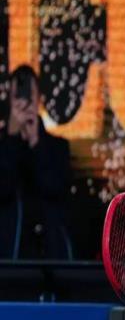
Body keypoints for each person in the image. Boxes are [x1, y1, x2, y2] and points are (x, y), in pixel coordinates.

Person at [0, 65, 73, 259]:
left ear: (39, 99)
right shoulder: (3, 146)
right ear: (9, 100)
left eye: (28, 96)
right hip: (9, 256)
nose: (23, 103)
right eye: (18, 97)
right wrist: (12, 137)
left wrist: (35, 143)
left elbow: (55, 188)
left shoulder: (58, 147)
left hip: (51, 254)